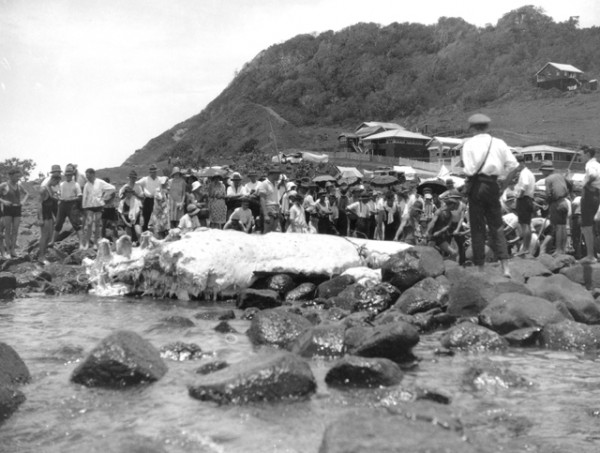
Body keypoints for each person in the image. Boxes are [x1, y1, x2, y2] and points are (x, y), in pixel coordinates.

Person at [462, 113, 518, 277]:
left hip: (477, 185)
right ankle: (505, 266)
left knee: (477, 228)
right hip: (493, 185)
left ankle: (480, 266)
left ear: (472, 128)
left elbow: (468, 170)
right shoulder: (499, 143)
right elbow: (514, 166)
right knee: (497, 226)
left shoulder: (469, 144)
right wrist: (503, 186)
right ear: (487, 127)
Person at [540, 160, 571, 256]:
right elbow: (570, 185)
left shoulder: (548, 179)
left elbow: (548, 194)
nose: (542, 173)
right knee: (563, 227)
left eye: (542, 171)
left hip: (556, 203)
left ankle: (558, 250)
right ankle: (563, 249)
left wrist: (547, 203)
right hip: (564, 202)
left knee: (557, 227)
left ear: (546, 170)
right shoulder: (560, 176)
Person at [81, 168, 115, 250]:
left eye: (88, 176)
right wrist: (84, 207)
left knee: (97, 224)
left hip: (99, 206)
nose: (87, 178)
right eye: (86, 176)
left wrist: (104, 197)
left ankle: (95, 243)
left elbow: (112, 188)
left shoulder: (100, 182)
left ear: (93, 174)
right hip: (89, 207)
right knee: (89, 224)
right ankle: (88, 243)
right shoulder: (87, 185)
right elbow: (84, 196)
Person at [0, 167, 29, 258]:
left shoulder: (19, 185)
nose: (18, 178)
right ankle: (7, 251)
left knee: (15, 230)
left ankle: (13, 249)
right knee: (7, 230)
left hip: (17, 209)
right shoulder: (4, 185)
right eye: (16, 176)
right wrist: (3, 201)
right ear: (11, 176)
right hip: (8, 209)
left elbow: (27, 193)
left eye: (19, 177)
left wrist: (23, 201)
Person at [512, 153, 536, 257]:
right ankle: (526, 248)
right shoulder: (529, 172)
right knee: (527, 224)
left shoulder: (524, 173)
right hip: (529, 199)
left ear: (520, 163)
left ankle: (525, 248)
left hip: (524, 199)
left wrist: (520, 195)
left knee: (524, 225)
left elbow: (525, 184)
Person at [580, 146, 600, 263]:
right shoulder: (598, 164)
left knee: (586, 226)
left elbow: (592, 175)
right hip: (597, 194)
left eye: (581, 155)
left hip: (590, 194)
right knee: (591, 225)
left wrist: (585, 185)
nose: (580, 157)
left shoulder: (590, 164)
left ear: (587, 154)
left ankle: (590, 255)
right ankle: (593, 254)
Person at [38, 165, 62, 263]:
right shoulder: (43, 189)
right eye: (56, 182)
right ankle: (41, 257)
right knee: (44, 236)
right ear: (53, 179)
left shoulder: (50, 189)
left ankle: (44, 255)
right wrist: (40, 218)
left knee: (49, 236)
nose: (56, 184)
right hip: (44, 215)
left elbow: (52, 203)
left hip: (49, 215)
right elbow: (39, 203)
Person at [53, 165, 82, 245]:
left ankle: (81, 243)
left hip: (72, 205)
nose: (68, 176)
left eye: (70, 175)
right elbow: (58, 194)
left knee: (76, 224)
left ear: (72, 175)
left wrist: (70, 199)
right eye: (67, 175)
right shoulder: (62, 184)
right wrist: (59, 198)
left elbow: (79, 197)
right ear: (65, 175)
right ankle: (52, 242)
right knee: (58, 224)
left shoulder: (76, 184)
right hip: (62, 205)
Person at [136, 164, 164, 231]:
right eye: (152, 172)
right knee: (146, 216)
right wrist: (141, 192)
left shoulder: (160, 179)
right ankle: (145, 232)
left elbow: (166, 181)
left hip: (157, 200)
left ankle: (158, 232)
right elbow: (136, 184)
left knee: (158, 217)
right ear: (150, 172)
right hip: (148, 199)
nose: (153, 173)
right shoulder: (145, 179)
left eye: (154, 172)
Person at [258, 166, 282, 233]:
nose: (279, 176)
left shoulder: (276, 183)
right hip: (269, 208)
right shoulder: (264, 184)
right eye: (278, 174)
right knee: (268, 231)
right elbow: (262, 199)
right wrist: (265, 215)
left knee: (277, 231)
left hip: (276, 208)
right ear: (273, 174)